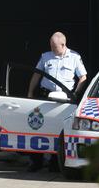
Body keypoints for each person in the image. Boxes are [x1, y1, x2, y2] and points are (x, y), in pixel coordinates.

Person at [26, 31, 87, 172]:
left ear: (63, 44)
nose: (52, 49)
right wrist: (30, 92)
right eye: (51, 46)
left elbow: (83, 77)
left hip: (64, 98)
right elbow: (36, 74)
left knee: (59, 128)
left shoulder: (74, 57)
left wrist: (75, 94)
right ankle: (36, 161)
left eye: (55, 47)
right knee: (38, 127)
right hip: (45, 95)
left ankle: (55, 161)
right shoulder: (45, 57)